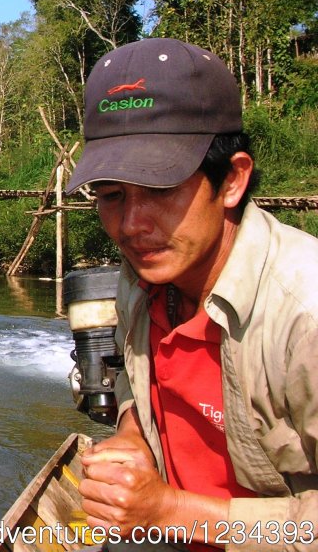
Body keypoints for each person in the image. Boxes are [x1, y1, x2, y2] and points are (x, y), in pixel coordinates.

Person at [64, 37, 318, 552]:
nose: (132, 226)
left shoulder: (304, 315)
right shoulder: (143, 279)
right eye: (112, 196)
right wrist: (134, 436)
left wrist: (171, 510)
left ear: (231, 180)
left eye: (159, 189)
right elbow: (140, 386)